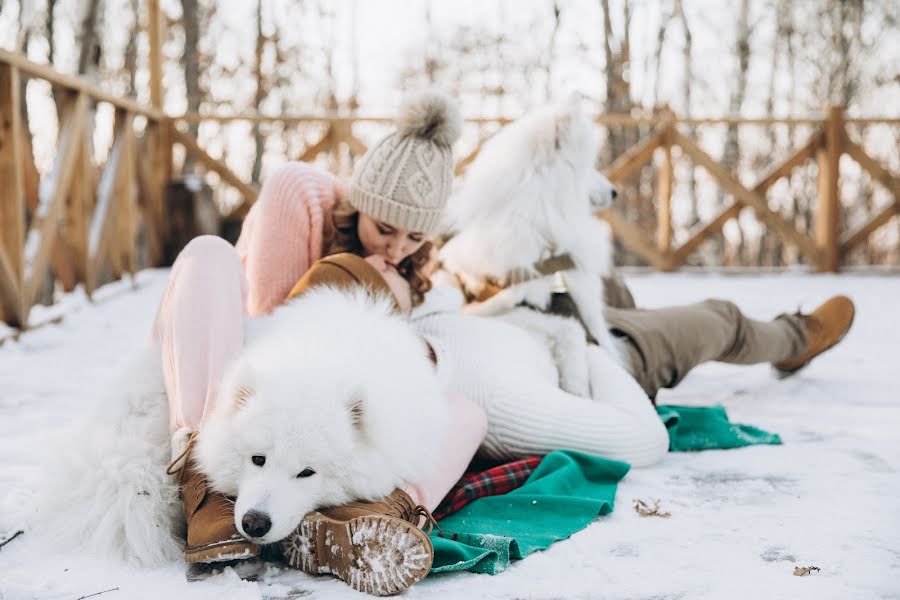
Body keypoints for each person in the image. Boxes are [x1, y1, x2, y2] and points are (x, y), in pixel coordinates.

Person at [152, 91, 485, 595]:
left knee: (467, 413)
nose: (397, 249)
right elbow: (271, 320)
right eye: (386, 228)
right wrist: (355, 277)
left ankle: (378, 514)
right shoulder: (300, 194)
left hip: (314, 412)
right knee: (207, 252)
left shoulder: (409, 265)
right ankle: (199, 483)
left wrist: (395, 301)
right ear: (359, 205)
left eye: (416, 238)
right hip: (229, 349)